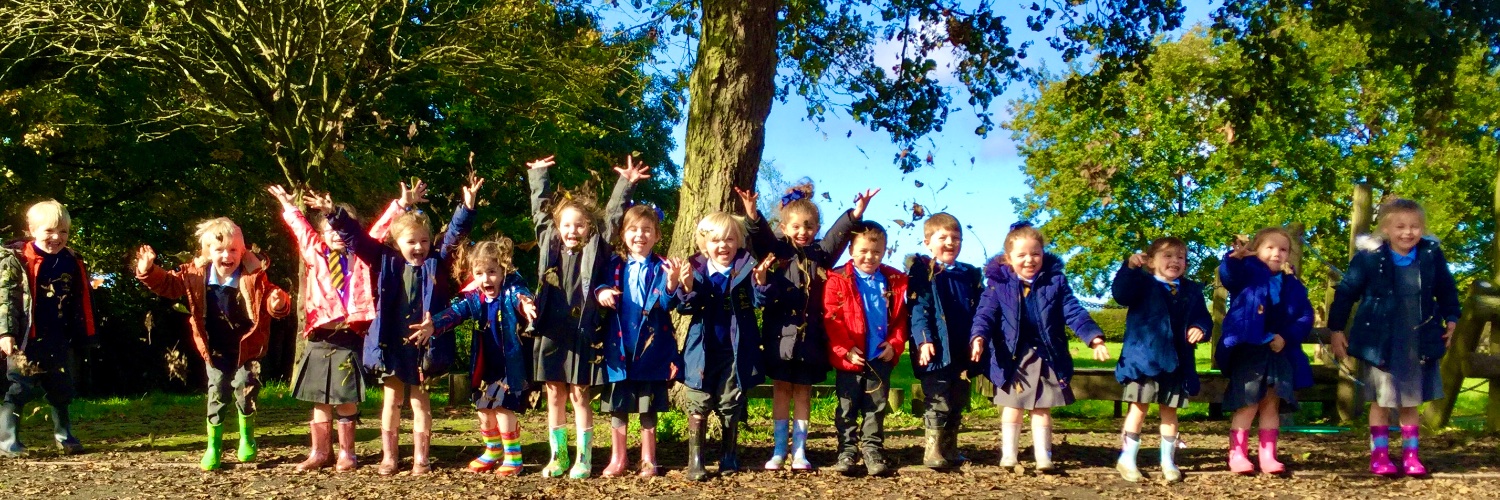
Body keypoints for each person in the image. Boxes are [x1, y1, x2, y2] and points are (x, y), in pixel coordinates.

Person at [135, 218, 292, 471]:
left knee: (245, 388)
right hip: (215, 347)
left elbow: (275, 303)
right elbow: (168, 285)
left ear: (243, 252)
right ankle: (214, 446)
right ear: (207, 252)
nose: (226, 256)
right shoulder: (195, 276)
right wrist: (148, 270)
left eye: (233, 250)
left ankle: (247, 437)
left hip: (247, 346)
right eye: (219, 250)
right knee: (217, 390)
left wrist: (278, 303)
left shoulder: (254, 277)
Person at [1328, 198, 1460, 476]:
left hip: (1417, 340)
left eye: (1415, 226)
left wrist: (1451, 318)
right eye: (1400, 226)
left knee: (1411, 402)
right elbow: (1346, 292)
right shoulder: (1369, 258)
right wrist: (1336, 329)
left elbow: (1446, 288)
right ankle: (1380, 456)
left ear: (1423, 229)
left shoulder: (1430, 255)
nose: (1407, 232)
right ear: (1385, 229)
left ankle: (1411, 456)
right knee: (1381, 402)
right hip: (1381, 341)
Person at [970, 222, 1109, 472]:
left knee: (1042, 409)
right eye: (1021, 255)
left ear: (1043, 255)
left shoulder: (1054, 282)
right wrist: (978, 336)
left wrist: (1094, 337)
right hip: (1013, 358)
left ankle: (1043, 455)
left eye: (1035, 254)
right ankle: (1009, 454)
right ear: (1009, 258)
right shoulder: (997, 284)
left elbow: (1073, 311)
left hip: (1046, 355)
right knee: (1012, 407)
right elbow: (985, 314)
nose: (1029, 260)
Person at [410, 237, 538, 476]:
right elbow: (455, 312)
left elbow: (520, 296)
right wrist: (433, 325)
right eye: (479, 273)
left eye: (491, 272)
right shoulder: (475, 298)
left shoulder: (511, 291)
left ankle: (513, 455)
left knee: (502, 409)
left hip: (509, 365)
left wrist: (526, 304)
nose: (485, 279)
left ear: (503, 270)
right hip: (484, 365)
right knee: (483, 409)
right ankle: (493, 450)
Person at [676, 212, 774, 481]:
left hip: (735, 348)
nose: (723, 246)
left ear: (739, 241)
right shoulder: (696, 269)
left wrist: (762, 282)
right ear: (704, 244)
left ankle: (728, 454)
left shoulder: (746, 268)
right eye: (716, 240)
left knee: (731, 400)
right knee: (698, 399)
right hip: (703, 348)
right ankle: (696, 460)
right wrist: (685, 286)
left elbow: (758, 301)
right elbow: (685, 306)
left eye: (730, 239)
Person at [1110, 237, 1212, 482]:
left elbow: (1204, 318)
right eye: (1167, 256)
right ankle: (1127, 458)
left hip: (1177, 362)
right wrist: (1129, 267)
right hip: (1143, 361)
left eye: (1180, 257)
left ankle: (1168, 460)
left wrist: (1200, 327)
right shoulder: (1141, 284)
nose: (1174, 261)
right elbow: (1121, 294)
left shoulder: (1192, 291)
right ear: (1151, 261)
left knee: (1170, 412)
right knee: (1139, 409)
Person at [0, 200, 97, 456]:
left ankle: (64, 435)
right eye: (49, 231)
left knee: (61, 387)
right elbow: (5, 300)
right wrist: (6, 332)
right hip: (25, 338)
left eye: (63, 232)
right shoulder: (17, 260)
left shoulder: (71, 261)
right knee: (20, 387)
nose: (56, 237)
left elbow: (81, 299)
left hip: (58, 336)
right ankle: (7, 440)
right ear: (32, 230)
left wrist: (84, 334)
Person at [1216, 228, 1314, 475]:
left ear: (1289, 256)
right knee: (1247, 403)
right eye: (1269, 248)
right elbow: (1229, 277)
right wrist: (1233, 259)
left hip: (1278, 351)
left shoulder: (1292, 285)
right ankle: (1237, 454)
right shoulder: (1247, 275)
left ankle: (1268, 456)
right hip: (1250, 349)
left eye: (1282, 249)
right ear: (1256, 251)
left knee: (1271, 403)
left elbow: (1304, 316)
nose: (1276, 253)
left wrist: (1286, 336)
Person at [824, 221, 908, 477]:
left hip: (879, 355)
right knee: (847, 406)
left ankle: (872, 449)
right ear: (851, 249)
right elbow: (832, 317)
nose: (869, 257)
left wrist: (895, 345)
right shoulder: (838, 279)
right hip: (851, 356)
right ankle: (847, 450)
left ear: (884, 252)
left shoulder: (893, 281)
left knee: (876, 406)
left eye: (876, 252)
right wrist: (845, 349)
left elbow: (901, 318)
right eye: (863, 250)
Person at [905, 213, 983, 470]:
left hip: (962, 351)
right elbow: (919, 309)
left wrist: (978, 338)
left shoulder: (968, 275)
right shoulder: (924, 273)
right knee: (938, 400)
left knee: (958, 399)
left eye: (956, 238)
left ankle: (950, 447)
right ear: (928, 242)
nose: (950, 242)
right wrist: (923, 340)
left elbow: (980, 310)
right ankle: (933, 449)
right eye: (943, 237)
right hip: (936, 351)